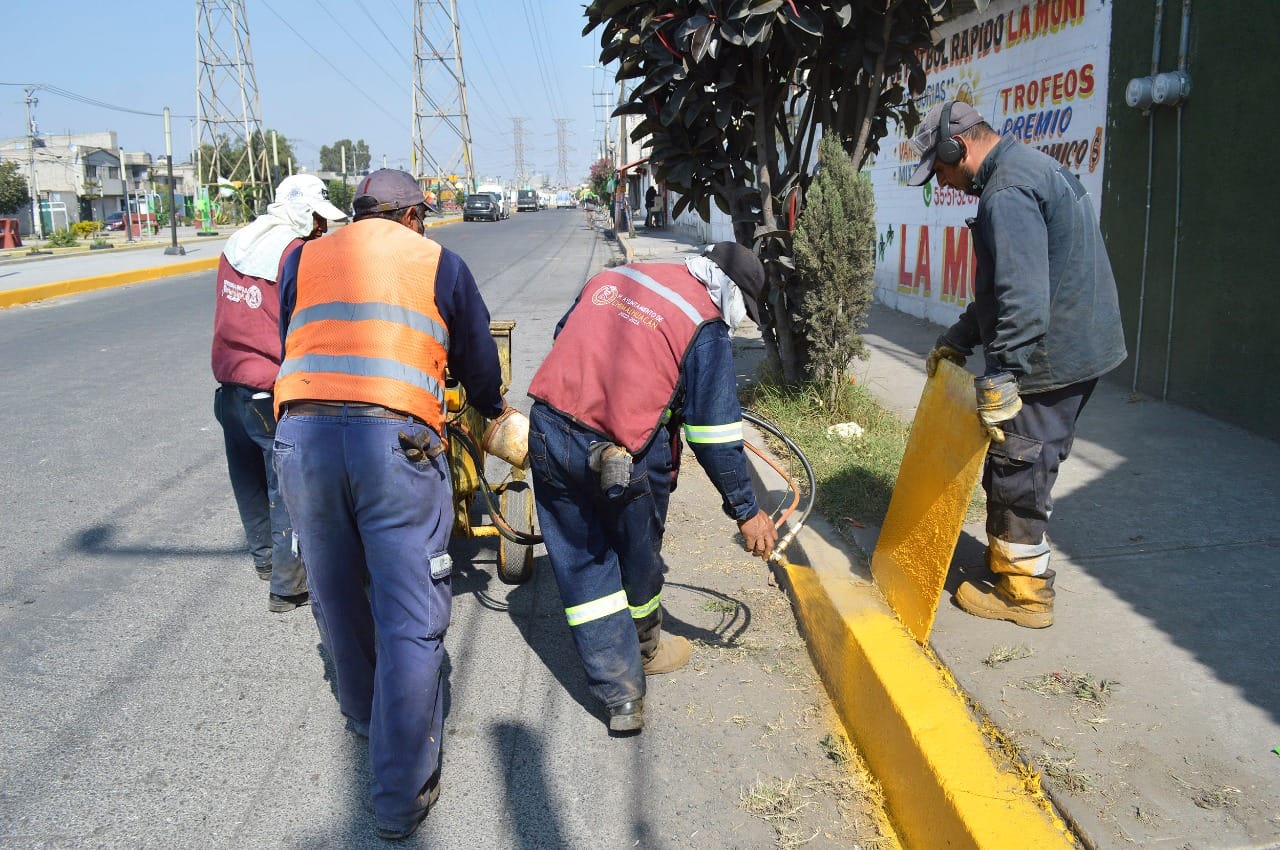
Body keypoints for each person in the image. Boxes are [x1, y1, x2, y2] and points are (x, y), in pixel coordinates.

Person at [272, 169, 516, 840]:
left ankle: (362, 713)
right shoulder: (438, 262)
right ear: (410, 214)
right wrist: (491, 412)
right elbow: (478, 366)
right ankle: (399, 794)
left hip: (303, 436)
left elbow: (292, 336)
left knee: (335, 588)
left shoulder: (304, 257)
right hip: (396, 444)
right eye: (426, 215)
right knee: (410, 612)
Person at [526, 241, 779, 733]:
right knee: (638, 555)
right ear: (728, 291)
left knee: (582, 565)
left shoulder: (619, 276)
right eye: (741, 309)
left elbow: (565, 336)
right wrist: (748, 510)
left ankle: (620, 697)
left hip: (548, 430)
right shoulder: (704, 325)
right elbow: (715, 435)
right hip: (624, 453)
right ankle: (645, 647)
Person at [907, 100, 1126, 629]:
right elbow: (1007, 289)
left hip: (1050, 355)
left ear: (954, 148)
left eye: (938, 169)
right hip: (1078, 343)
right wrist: (960, 338)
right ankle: (1009, 555)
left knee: (1019, 464)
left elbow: (1021, 299)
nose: (942, 181)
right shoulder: (1029, 167)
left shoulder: (1006, 193)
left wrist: (1003, 372)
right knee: (1024, 458)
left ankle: (1025, 594)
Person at [211, 173, 347, 613]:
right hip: (269, 389)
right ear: (302, 214)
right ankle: (287, 588)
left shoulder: (239, 243)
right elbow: (302, 324)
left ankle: (266, 560)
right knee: (287, 486)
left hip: (230, 385)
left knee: (247, 478)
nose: (321, 228)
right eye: (317, 219)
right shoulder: (295, 253)